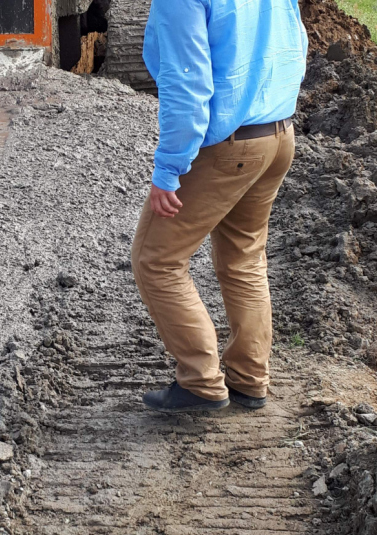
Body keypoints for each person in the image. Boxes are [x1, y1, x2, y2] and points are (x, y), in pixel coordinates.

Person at [132, 0, 309, 412]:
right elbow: (296, 46)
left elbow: (187, 82)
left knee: (155, 260)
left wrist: (169, 169)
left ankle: (200, 382)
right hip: (278, 133)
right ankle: (249, 378)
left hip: (230, 144)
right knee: (244, 256)